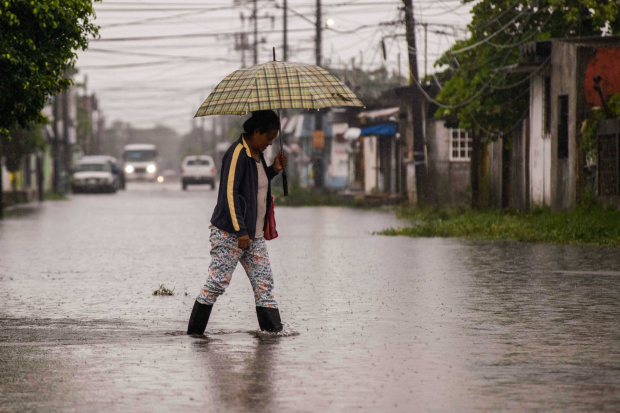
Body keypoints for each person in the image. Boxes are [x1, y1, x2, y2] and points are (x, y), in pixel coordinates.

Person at [187, 110, 287, 334]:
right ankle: (194, 337)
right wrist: (240, 231)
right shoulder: (237, 153)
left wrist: (273, 170)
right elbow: (229, 194)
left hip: (254, 236)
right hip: (230, 234)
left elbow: (254, 186)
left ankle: (272, 337)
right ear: (255, 132)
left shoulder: (258, 156)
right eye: (268, 138)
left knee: (264, 286)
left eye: (273, 139)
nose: (270, 144)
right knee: (216, 284)